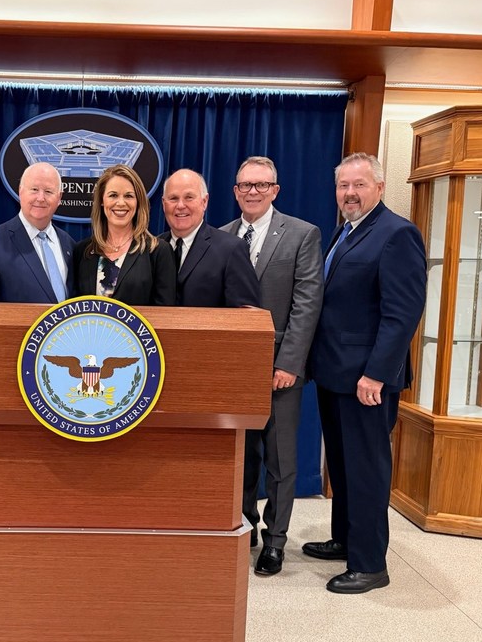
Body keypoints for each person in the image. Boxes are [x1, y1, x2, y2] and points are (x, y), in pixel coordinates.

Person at [302, 152, 426, 594]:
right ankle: (346, 540)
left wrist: (375, 374)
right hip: (336, 375)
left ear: (378, 186)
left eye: (358, 185)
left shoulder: (396, 234)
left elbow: (402, 314)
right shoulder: (347, 231)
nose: (349, 194)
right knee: (343, 464)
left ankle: (371, 563)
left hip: (365, 382)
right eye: (343, 186)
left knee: (367, 469)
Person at [221, 156, 323, 577]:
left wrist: (289, 363)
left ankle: (276, 542)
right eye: (245, 185)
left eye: (261, 185)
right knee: (241, 456)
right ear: (235, 191)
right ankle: (247, 524)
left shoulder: (302, 234)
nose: (252, 192)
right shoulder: (222, 236)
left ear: (275, 190)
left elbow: (307, 303)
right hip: (234, 370)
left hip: (279, 368)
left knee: (280, 460)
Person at [0, 162, 74, 303]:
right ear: (20, 192)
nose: (40, 198)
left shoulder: (68, 243)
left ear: (59, 198)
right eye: (34, 189)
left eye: (48, 191)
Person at [72, 164, 176, 305]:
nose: (121, 203)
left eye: (128, 196)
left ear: (138, 202)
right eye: (113, 195)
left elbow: (166, 313)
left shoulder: (158, 251)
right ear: (102, 201)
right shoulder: (82, 251)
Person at [159, 168, 260, 308]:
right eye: (173, 198)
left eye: (189, 197)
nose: (180, 205)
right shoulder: (152, 247)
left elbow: (247, 315)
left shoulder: (231, 249)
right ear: (164, 204)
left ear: (204, 201)